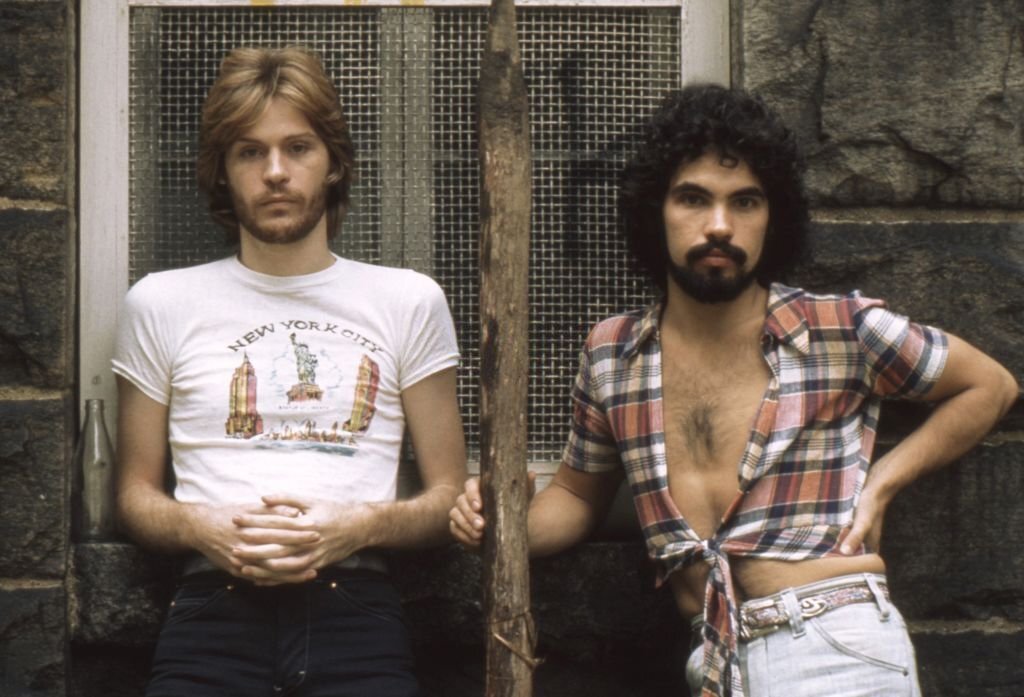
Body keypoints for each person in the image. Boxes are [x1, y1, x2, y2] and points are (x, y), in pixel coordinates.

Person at [449, 84, 1018, 697]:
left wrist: (882, 483)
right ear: (654, 211)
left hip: (835, 644)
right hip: (713, 657)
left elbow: (990, 384)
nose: (719, 225)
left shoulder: (840, 329)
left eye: (745, 202)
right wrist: (497, 527)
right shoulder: (613, 352)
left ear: (773, 219)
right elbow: (578, 498)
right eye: (694, 198)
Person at [114, 46, 467, 697]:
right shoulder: (159, 302)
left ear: (333, 162)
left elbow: (448, 495)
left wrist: (355, 526)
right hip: (207, 614)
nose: (275, 172)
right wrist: (205, 528)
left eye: (298, 147)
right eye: (250, 151)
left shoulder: (408, 300)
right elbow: (134, 495)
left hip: (357, 611)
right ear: (222, 171)